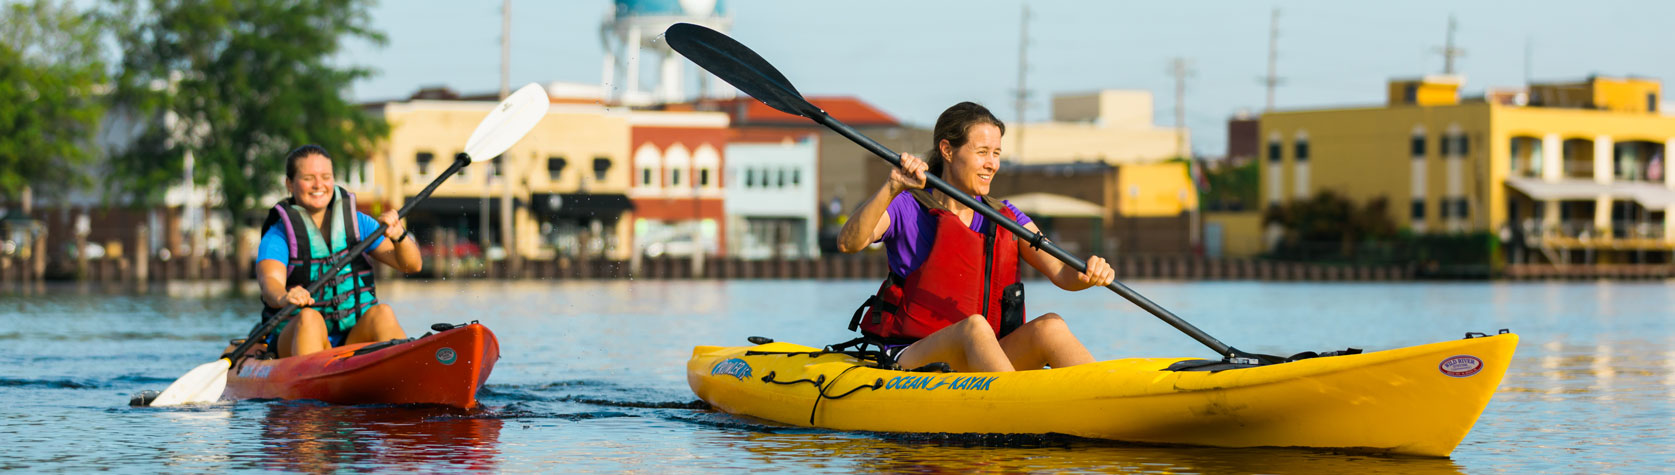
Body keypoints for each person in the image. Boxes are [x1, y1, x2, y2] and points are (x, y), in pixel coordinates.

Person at [838, 102, 1116, 372]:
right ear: (947, 150)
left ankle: (1108, 396)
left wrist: (1087, 275)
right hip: (912, 353)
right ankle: (1017, 406)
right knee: (975, 327)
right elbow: (849, 243)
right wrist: (891, 186)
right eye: (982, 152)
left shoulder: (1006, 216)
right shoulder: (907, 206)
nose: (992, 164)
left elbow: (1061, 272)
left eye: (996, 153)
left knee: (1051, 327)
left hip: (985, 355)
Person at [255, 145, 421, 358]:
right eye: (308, 178)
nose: (319, 185)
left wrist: (399, 236)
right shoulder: (278, 235)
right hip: (296, 337)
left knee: (383, 313)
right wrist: (285, 296)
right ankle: (312, 386)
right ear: (289, 184)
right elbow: (269, 283)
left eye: (326, 177)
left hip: (351, 337)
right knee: (309, 318)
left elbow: (412, 265)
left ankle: (405, 371)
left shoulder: (357, 223)